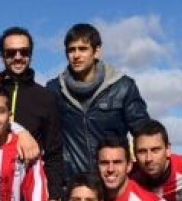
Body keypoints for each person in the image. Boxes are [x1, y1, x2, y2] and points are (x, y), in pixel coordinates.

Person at [46, 23, 152, 181]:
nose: (76, 55)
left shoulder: (123, 86)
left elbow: (145, 133)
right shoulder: (54, 90)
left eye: (83, 49)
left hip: (113, 181)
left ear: (97, 51)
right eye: (71, 50)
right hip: (74, 185)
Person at [0, 26, 66, 201]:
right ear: (2, 56)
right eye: (10, 52)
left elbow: (54, 151)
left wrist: (54, 196)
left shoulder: (45, 98)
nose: (17, 57)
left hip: (30, 193)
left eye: (24, 52)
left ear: (31, 55)